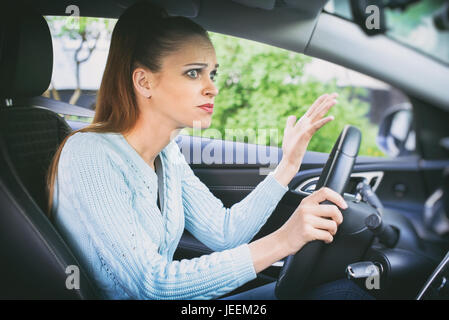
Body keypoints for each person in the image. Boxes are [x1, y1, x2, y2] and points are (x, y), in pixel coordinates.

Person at [46, 1, 373, 300]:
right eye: (193, 73)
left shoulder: (167, 155)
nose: (212, 87)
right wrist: (283, 241)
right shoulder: (90, 154)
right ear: (145, 82)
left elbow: (225, 233)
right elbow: (152, 285)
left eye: (211, 73)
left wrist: (287, 165)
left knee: (345, 292)